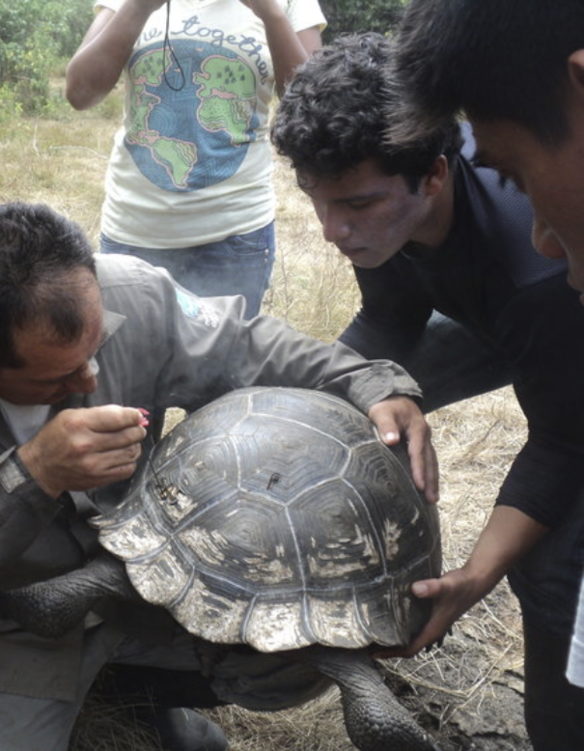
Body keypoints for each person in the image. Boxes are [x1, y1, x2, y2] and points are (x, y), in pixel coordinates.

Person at [0, 202, 438, 750]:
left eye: (95, 352)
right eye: (57, 379)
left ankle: (126, 687)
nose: (89, 380)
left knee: (282, 664)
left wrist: (372, 383)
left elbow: (248, 346)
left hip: (155, 576)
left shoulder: (132, 295)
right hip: (2, 610)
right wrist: (31, 475)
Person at [271, 30, 584, 748]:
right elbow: (389, 317)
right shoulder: (379, 217)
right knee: (331, 405)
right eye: (318, 203)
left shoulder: (533, 264)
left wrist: (474, 576)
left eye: (355, 204)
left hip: (555, 326)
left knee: (547, 570)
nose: (331, 231)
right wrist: (379, 385)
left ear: (435, 175)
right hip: (495, 317)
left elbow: (565, 441)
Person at [64, 0, 325, 318]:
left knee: (223, 363)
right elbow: (80, 93)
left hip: (234, 235)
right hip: (134, 229)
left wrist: (270, 14)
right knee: (133, 361)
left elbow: (313, 105)